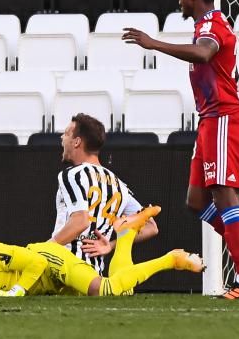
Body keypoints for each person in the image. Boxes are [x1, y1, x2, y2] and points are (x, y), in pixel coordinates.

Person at [122, 0, 239, 299]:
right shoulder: (202, 26)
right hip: (210, 119)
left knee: (224, 193)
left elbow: (206, 53)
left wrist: (155, 43)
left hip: (225, 117)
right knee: (196, 201)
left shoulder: (212, 24)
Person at [0, 208, 203, 297]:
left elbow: (33, 261)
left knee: (103, 290)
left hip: (49, 259)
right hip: (49, 289)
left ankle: (170, 259)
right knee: (122, 291)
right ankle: (126, 234)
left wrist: (15, 291)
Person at [50, 113, 160, 292]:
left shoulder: (72, 174)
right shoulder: (119, 184)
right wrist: (111, 245)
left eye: (66, 133)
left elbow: (80, 221)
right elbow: (151, 227)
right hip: (93, 277)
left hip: (63, 273)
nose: (62, 137)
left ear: (77, 142)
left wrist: (44, 250)